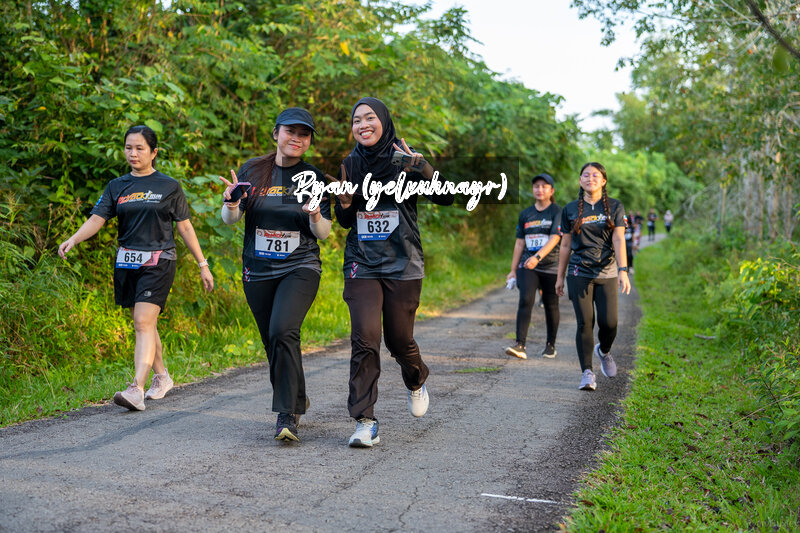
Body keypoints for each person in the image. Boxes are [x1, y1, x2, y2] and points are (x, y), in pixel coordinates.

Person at [58, 125, 214, 411]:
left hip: (159, 261)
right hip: (127, 262)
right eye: (129, 147)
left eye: (140, 148)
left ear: (153, 152)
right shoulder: (117, 186)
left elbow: (185, 227)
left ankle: (136, 390)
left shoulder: (169, 186)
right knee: (144, 323)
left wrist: (203, 264)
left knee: (142, 321)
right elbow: (97, 219)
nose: (133, 153)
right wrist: (74, 239)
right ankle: (162, 377)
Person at [332, 97, 454, 448]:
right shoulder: (350, 164)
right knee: (365, 337)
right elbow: (346, 220)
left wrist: (423, 167)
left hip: (403, 262)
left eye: (370, 117)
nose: (363, 125)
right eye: (357, 120)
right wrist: (344, 204)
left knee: (399, 340)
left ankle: (416, 378)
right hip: (362, 262)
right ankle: (364, 420)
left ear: (384, 121)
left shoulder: (405, 159)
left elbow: (446, 197)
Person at [219, 108, 331, 443]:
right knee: (272, 340)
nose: (296, 138)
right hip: (258, 268)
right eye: (290, 131)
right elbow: (230, 220)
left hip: (300, 266)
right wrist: (231, 203)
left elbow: (324, 232)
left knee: (283, 329)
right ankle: (297, 397)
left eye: (304, 134)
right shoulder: (253, 170)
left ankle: (287, 414)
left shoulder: (314, 177)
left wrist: (314, 215)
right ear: (276, 133)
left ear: (309, 141)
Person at [555, 162, 631, 391]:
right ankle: (587, 373)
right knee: (585, 322)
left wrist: (623, 270)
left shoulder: (615, 206)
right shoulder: (570, 210)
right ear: (580, 181)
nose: (590, 179)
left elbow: (618, 239)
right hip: (579, 271)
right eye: (586, 175)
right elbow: (565, 245)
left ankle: (604, 351)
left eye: (595, 175)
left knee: (610, 323)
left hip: (607, 271)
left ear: (603, 181)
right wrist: (560, 277)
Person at [505, 173, 562, 360]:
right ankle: (520, 345)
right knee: (526, 299)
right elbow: (519, 243)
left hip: (551, 266)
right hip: (528, 266)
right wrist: (513, 270)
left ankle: (550, 345)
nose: (540, 189)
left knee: (551, 305)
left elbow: (555, 238)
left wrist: (538, 257)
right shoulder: (526, 214)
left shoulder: (557, 212)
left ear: (551, 191)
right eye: (536, 186)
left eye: (544, 186)